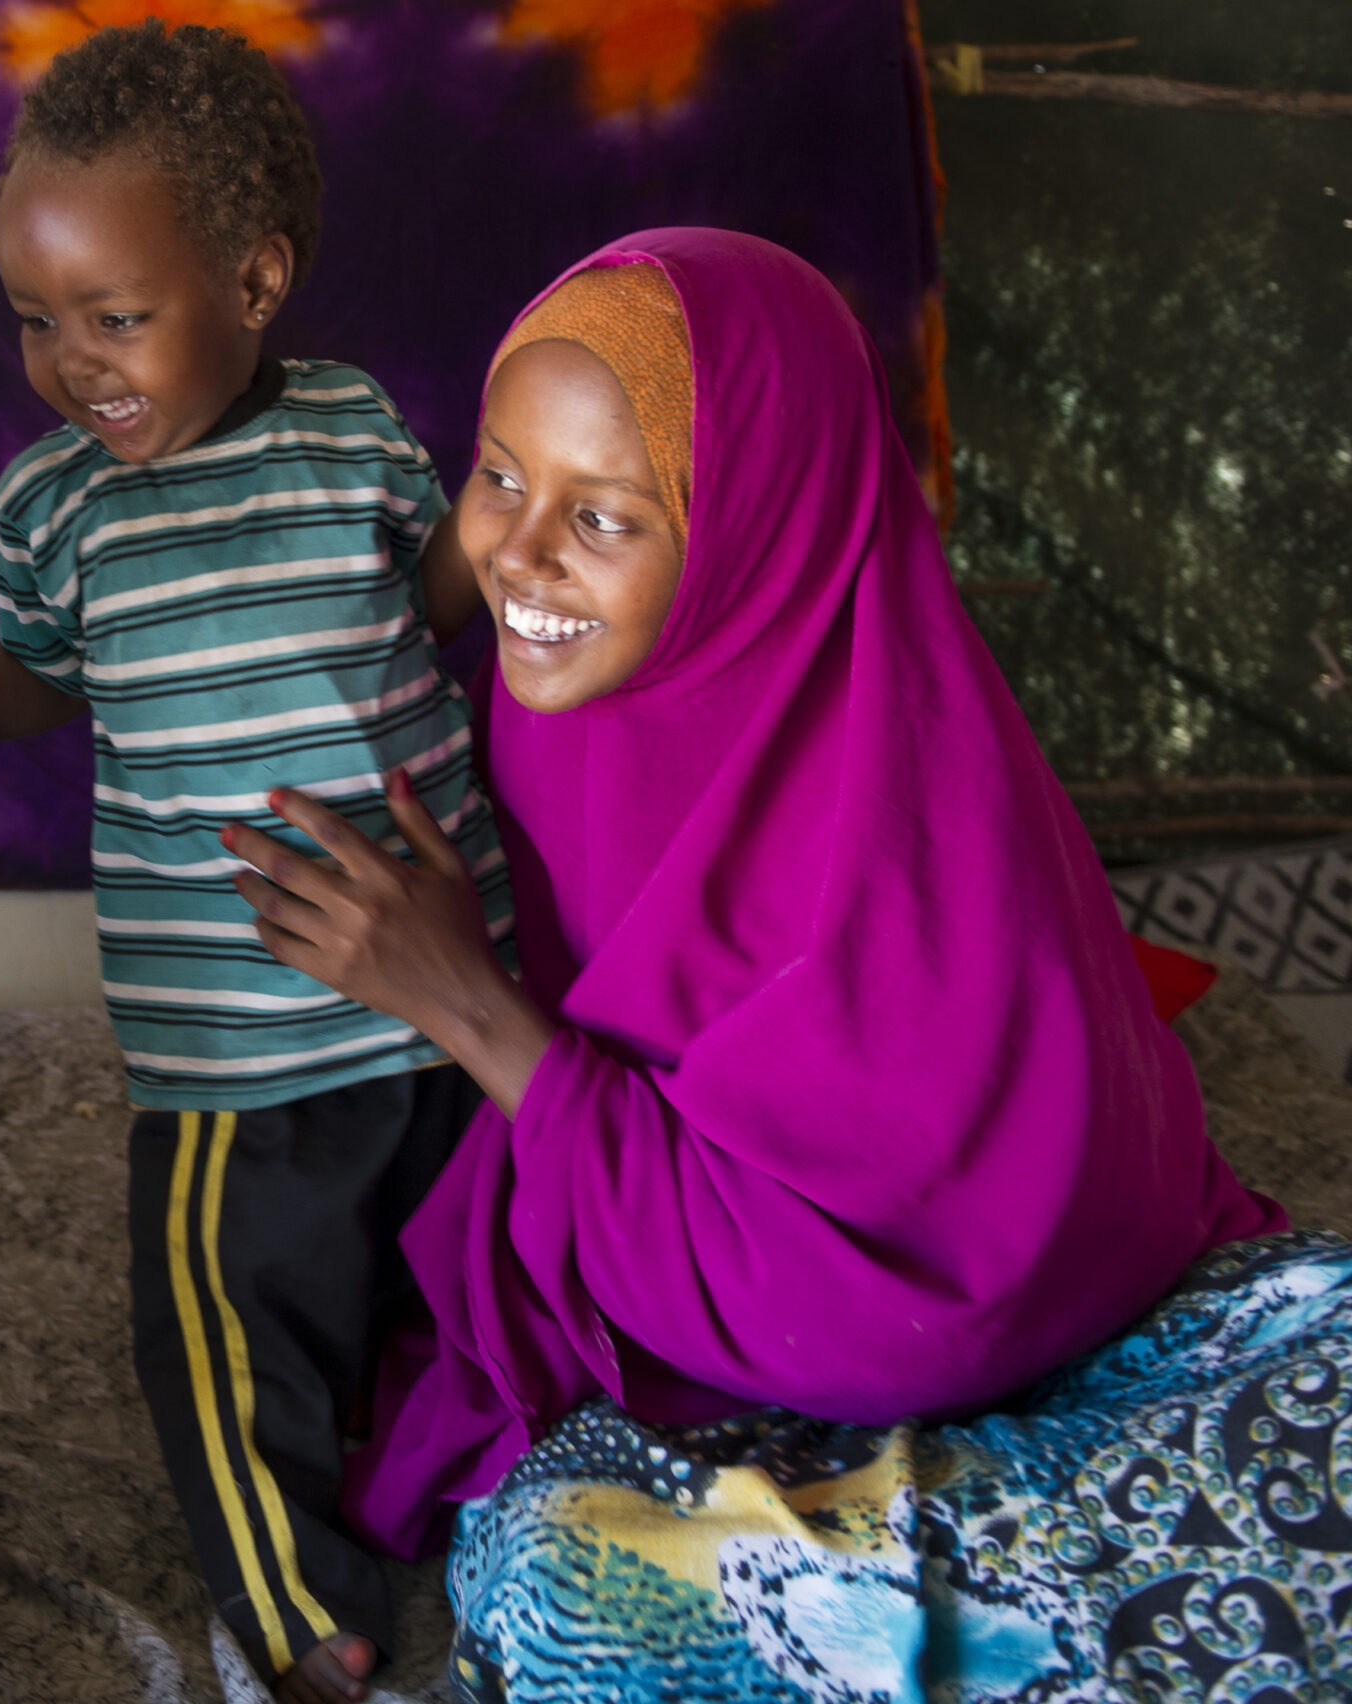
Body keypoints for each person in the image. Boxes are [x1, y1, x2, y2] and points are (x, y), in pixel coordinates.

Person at [222, 227, 1348, 1702]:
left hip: (1002, 1314)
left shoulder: (902, 793)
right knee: (563, 1588)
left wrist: (471, 1011)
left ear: (761, 528)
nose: (519, 559)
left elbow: (940, 1274)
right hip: (725, 1341)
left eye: (606, 515)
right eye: (500, 475)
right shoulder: (560, 698)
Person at [0, 22, 507, 1700]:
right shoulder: (57, 504)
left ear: (255, 280)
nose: (71, 364)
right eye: (37, 320)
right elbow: (48, 664)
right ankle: (293, 1604)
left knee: (464, 1281)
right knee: (224, 1336)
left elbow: (424, 608)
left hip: (444, 1003)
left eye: (116, 317)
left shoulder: (351, 433)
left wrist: (523, 542)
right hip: (229, 1043)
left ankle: (471, 1482)